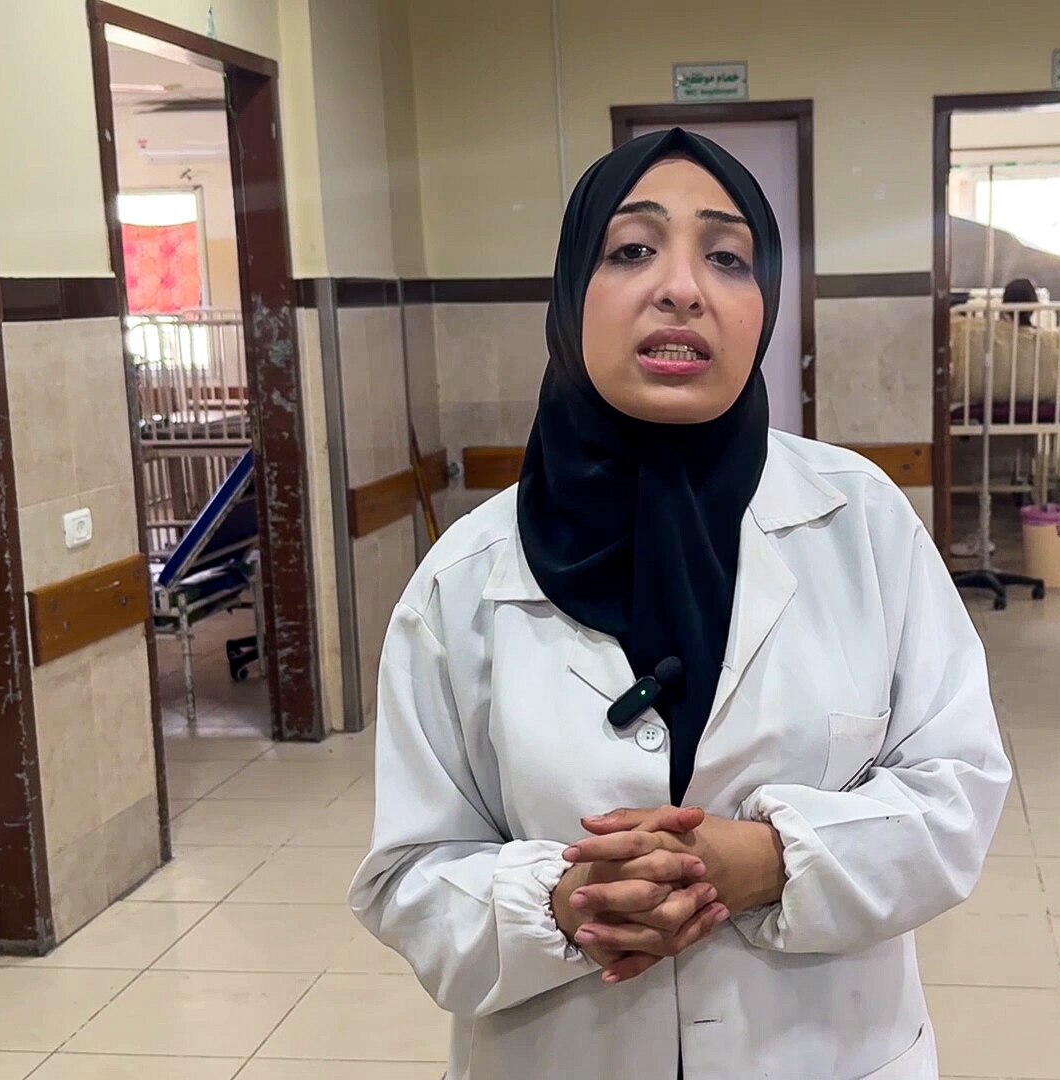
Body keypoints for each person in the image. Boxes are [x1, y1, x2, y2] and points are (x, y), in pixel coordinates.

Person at [349, 128, 1010, 1080]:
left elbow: (959, 791)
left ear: (765, 308)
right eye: (631, 249)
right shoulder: (466, 578)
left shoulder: (862, 525)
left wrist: (774, 860)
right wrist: (560, 903)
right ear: (573, 292)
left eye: (728, 257)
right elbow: (408, 875)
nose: (682, 288)